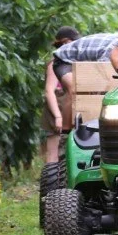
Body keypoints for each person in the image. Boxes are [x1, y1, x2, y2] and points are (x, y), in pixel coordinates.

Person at [42, 26, 80, 162]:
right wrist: (58, 116)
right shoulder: (55, 62)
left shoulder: (76, 61)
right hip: (57, 108)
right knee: (53, 153)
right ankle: (51, 181)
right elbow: (49, 91)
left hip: (72, 109)